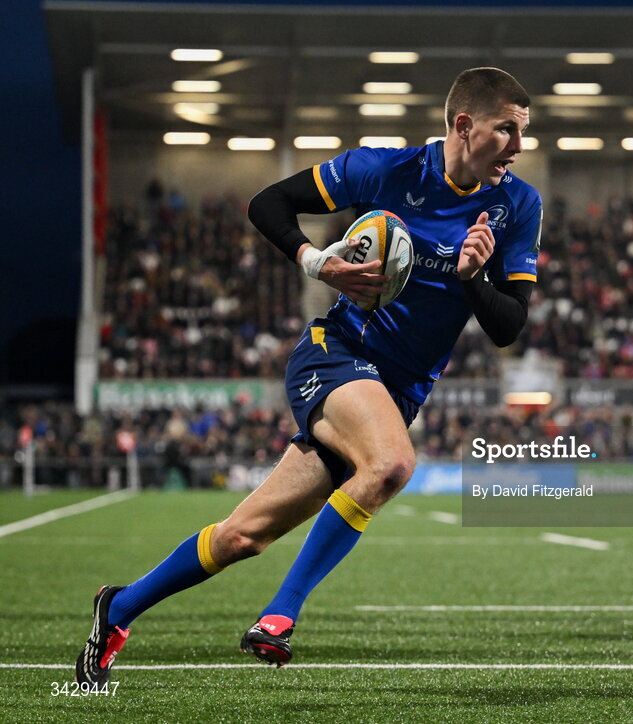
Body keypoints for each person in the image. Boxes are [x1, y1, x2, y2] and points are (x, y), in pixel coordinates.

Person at [75, 67, 542, 685]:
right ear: (463, 124)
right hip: (338, 353)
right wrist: (319, 263)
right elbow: (268, 204)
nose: (517, 146)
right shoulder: (383, 170)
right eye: (507, 130)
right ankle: (279, 616)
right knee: (393, 465)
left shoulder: (518, 205)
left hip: (399, 391)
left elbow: (509, 326)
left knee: (244, 536)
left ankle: (119, 608)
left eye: (522, 134)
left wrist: (473, 278)